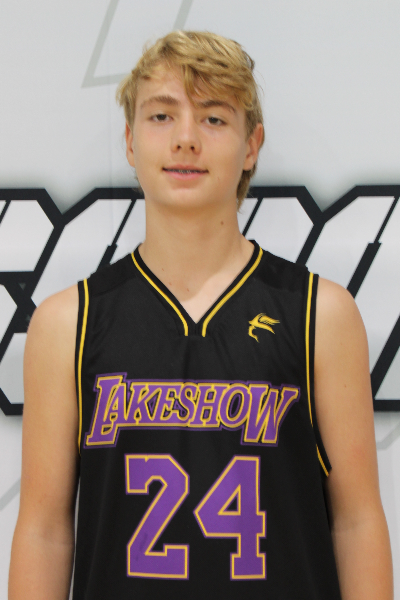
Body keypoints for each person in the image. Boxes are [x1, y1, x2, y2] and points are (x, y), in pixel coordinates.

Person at [9, 30, 393, 600]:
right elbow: (44, 531)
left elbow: (356, 521)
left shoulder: (320, 314)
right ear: (130, 141)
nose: (185, 139)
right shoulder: (69, 324)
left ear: (251, 145)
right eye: (161, 116)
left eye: (214, 118)